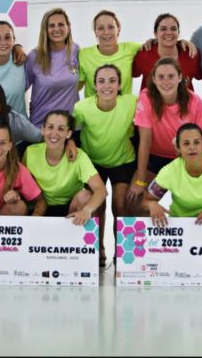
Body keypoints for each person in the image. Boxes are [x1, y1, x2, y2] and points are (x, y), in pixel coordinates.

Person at [127, 58, 202, 206]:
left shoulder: (194, 101)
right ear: (153, 79)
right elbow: (145, 141)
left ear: (180, 77)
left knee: (198, 207)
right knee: (134, 203)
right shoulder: (146, 97)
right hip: (156, 159)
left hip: (187, 159)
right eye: (160, 77)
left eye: (171, 76)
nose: (166, 81)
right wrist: (141, 181)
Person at [73, 64, 137, 266]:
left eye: (112, 81)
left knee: (120, 202)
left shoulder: (131, 103)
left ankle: (122, 249)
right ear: (94, 85)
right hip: (94, 162)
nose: (106, 85)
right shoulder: (82, 107)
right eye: (101, 81)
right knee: (96, 204)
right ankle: (97, 249)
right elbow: (72, 135)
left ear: (120, 85)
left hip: (123, 161)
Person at [78, 10, 195, 98]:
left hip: (124, 116)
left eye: (111, 27)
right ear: (95, 32)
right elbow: (78, 85)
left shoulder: (132, 49)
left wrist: (180, 42)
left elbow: (162, 43)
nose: (106, 32)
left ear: (118, 29)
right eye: (100, 28)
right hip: (93, 116)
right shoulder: (84, 54)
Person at [23, 110, 108, 226]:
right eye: (50, 127)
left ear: (69, 134)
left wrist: (86, 211)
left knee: (85, 196)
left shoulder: (80, 156)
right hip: (39, 208)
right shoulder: (31, 152)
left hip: (70, 210)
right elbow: (21, 184)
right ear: (43, 129)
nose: (54, 133)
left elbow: (101, 190)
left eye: (61, 129)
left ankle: (85, 242)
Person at [25, 8, 80, 128]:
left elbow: (78, 81)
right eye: (51, 25)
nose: (56, 29)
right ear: (45, 29)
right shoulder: (34, 56)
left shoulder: (76, 51)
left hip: (71, 127)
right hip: (41, 127)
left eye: (61, 24)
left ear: (68, 27)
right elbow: (19, 89)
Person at [133, 13, 202, 91]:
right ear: (155, 33)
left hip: (185, 103)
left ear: (178, 33)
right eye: (163, 29)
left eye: (173, 29)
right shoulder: (144, 54)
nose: (169, 32)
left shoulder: (191, 54)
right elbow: (129, 73)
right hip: (151, 103)